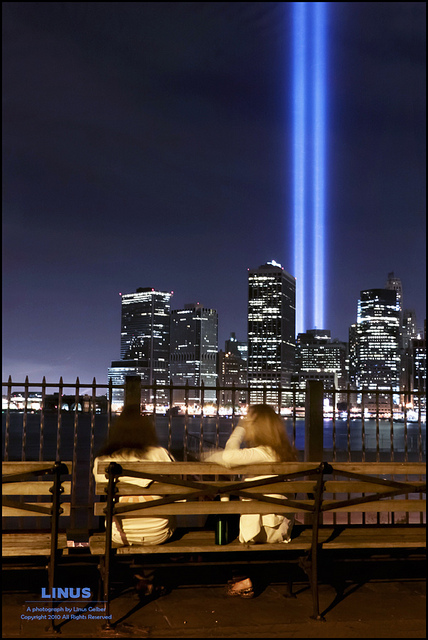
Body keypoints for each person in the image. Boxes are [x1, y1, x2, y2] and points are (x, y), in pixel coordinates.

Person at [204, 404, 298, 597]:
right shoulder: (282, 453)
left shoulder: (263, 453)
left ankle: (241, 576)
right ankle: (239, 573)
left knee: (217, 511)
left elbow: (226, 457)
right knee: (221, 503)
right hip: (279, 524)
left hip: (264, 529)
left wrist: (240, 428)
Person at [93, 406, 175, 596]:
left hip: (120, 535)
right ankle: (145, 576)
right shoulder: (162, 455)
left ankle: (140, 576)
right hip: (159, 532)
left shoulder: (103, 460)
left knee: (126, 519)